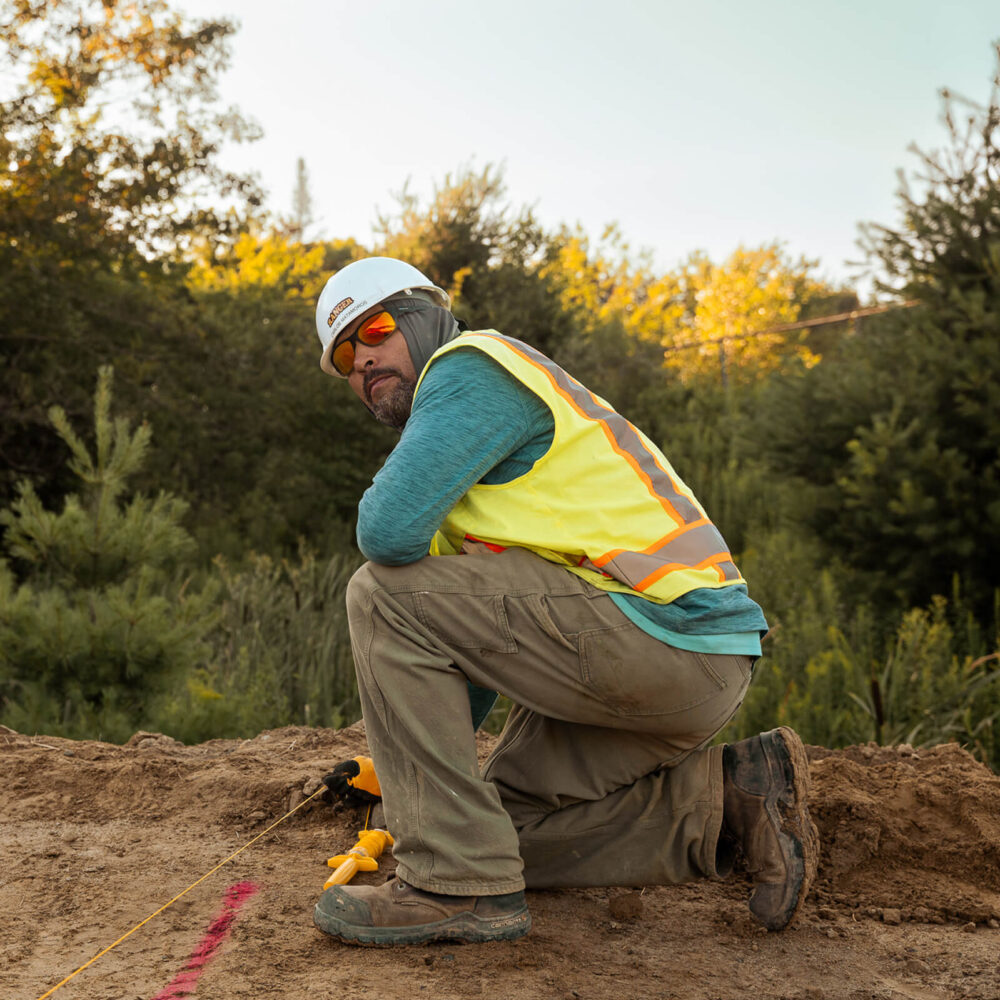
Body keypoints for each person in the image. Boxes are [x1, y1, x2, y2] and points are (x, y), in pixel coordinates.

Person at [310, 256, 819, 946]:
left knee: (377, 591)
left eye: (374, 330)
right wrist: (405, 784)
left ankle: (449, 891)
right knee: (489, 828)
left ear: (427, 316)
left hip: (664, 633)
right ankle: (726, 805)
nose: (362, 361)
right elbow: (461, 666)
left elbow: (384, 531)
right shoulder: (466, 479)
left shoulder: (471, 366)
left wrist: (423, 811)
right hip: (671, 665)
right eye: (344, 357)